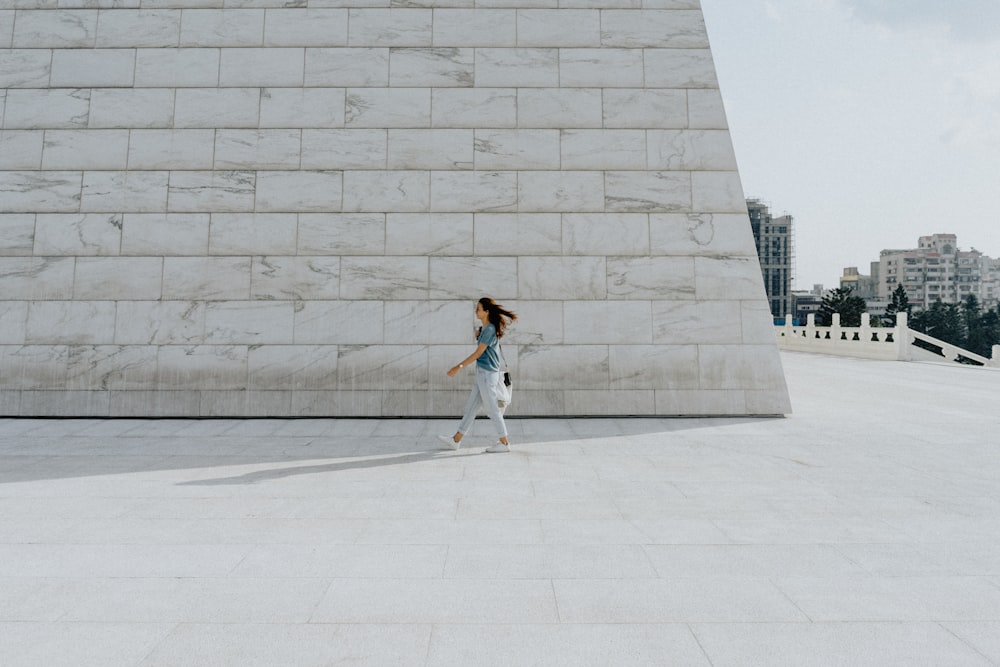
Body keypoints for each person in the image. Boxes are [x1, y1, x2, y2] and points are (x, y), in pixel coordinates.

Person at [438, 297, 517, 453]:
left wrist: (458, 366)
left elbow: (478, 353)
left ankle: (504, 442)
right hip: (483, 374)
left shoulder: (489, 329)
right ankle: (456, 440)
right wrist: (478, 335)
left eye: (478, 309)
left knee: (492, 409)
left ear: (486, 311)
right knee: (471, 408)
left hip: (488, 375)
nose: (476, 311)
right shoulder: (486, 329)